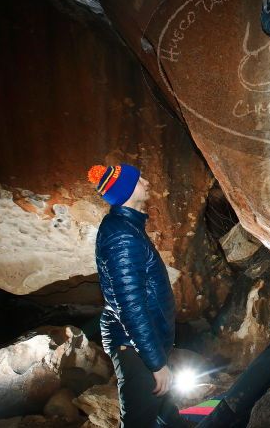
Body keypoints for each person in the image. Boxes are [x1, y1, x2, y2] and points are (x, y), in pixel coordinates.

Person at [87, 163, 183, 427]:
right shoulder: (121, 235)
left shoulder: (129, 228)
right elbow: (130, 304)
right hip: (134, 348)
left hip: (144, 343)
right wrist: (155, 363)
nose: (147, 181)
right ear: (127, 189)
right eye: (139, 179)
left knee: (166, 414)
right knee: (139, 421)